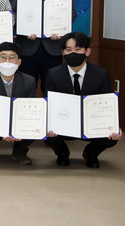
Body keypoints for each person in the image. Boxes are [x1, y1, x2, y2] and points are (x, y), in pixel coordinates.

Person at [44, 32, 121, 168]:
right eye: (68, 50)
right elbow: (49, 104)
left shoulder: (101, 74)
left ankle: (91, 153)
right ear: (63, 52)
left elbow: (106, 105)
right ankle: (62, 153)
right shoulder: (53, 74)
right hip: (64, 122)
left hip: (91, 123)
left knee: (112, 135)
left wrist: (113, 125)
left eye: (78, 49)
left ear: (87, 51)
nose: (73, 53)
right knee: (48, 133)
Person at [9, 0, 76, 93]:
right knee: (25, 89)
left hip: (53, 47)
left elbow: (71, 12)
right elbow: (11, 14)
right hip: (27, 48)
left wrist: (61, 30)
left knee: (52, 90)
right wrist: (23, 28)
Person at [0, 42, 36, 165]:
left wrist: (16, 129)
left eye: (12, 57)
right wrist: (2, 129)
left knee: (35, 125)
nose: (7, 61)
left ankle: (20, 152)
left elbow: (30, 111)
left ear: (19, 62)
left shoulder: (29, 81)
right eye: (3, 57)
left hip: (19, 119)